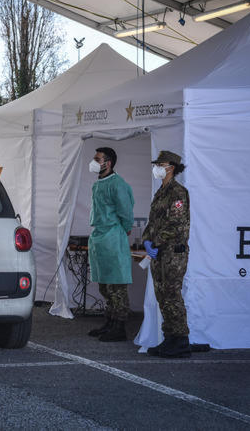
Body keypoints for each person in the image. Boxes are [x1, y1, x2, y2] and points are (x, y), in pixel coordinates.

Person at [142, 150, 191, 358]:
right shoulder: (161, 192)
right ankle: (169, 337)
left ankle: (180, 340)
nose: (157, 168)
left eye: (160, 164)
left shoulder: (178, 193)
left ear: (171, 167)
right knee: (162, 295)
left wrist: (155, 241)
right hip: (159, 252)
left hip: (173, 252)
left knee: (172, 295)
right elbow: (153, 221)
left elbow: (176, 224)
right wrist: (146, 239)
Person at [87, 147, 135, 342]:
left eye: (98, 159)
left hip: (113, 237)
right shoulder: (97, 184)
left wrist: (124, 228)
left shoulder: (118, 184)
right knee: (105, 285)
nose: (94, 161)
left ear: (109, 163)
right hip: (99, 237)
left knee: (117, 285)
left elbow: (126, 212)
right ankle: (110, 321)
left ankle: (120, 327)